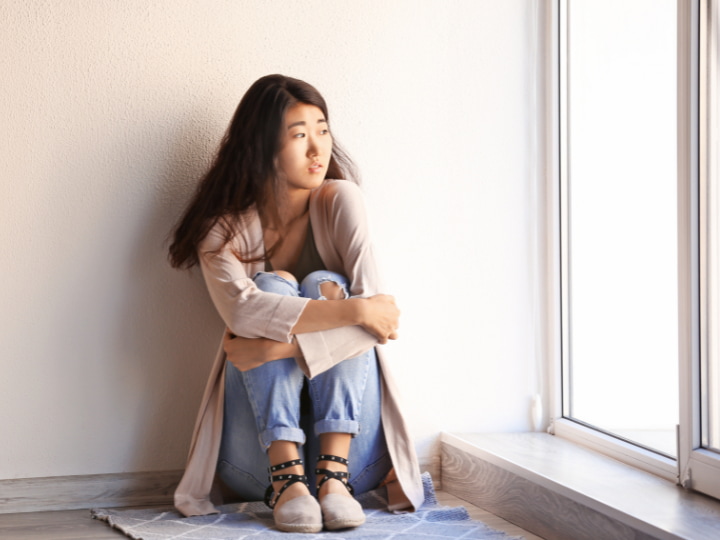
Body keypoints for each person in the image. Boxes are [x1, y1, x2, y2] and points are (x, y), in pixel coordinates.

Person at [167, 74, 423, 533]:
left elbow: (381, 322)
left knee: (326, 282)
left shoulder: (341, 201)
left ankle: (332, 477)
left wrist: (280, 348)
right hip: (253, 466)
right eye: (299, 135)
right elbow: (246, 313)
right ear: (262, 146)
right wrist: (355, 312)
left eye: (322, 130)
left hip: (356, 462)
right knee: (275, 286)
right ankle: (288, 480)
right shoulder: (222, 228)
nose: (317, 149)